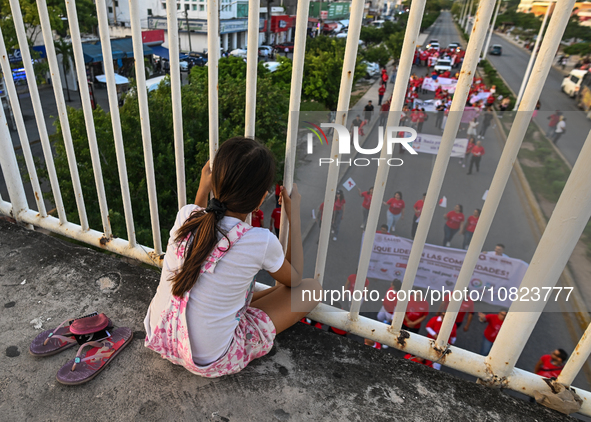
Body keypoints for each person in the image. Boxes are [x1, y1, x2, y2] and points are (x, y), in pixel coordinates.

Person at [144, 137, 321, 377]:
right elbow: (295, 280)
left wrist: (203, 189)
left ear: (215, 183)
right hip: (210, 358)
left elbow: (197, 229)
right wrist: (294, 216)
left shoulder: (186, 215)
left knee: (224, 292)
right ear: (261, 200)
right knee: (311, 289)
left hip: (161, 333)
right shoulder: (259, 240)